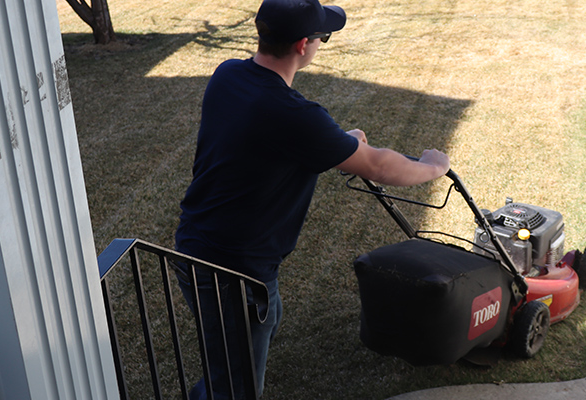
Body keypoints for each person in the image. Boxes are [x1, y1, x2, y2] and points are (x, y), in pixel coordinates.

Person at [173, 0, 449, 398]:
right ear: (303, 44)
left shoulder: (227, 75)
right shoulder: (295, 116)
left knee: (247, 339)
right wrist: (432, 167)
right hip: (234, 273)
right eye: (323, 36)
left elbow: (264, 146)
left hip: (196, 246)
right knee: (237, 385)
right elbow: (378, 166)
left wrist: (340, 144)